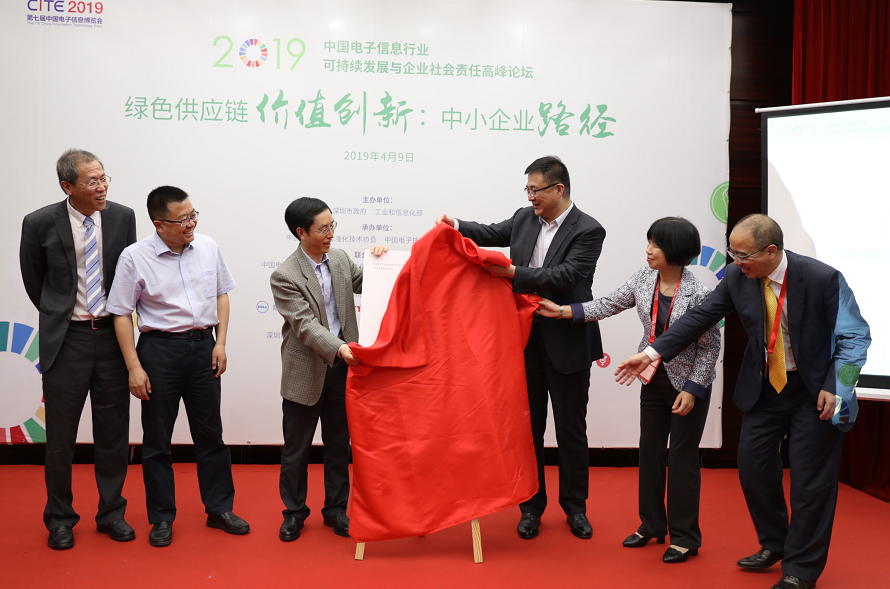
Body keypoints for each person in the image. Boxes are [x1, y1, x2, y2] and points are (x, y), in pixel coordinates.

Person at [615, 214, 870, 589]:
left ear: (771, 251)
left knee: (809, 484)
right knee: (752, 468)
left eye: (742, 254)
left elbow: (855, 336)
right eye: (731, 253)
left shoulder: (822, 278)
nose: (734, 261)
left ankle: (800, 569)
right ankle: (776, 543)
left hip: (815, 392)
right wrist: (652, 352)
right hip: (765, 389)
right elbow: (700, 318)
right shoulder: (738, 276)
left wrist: (838, 385)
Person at [436, 155, 606, 540]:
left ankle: (575, 508)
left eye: (535, 190)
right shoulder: (524, 218)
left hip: (568, 343)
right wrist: (455, 225)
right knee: (527, 430)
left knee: (571, 430)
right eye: (527, 190)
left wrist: (512, 272)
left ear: (558, 189)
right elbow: (490, 232)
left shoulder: (589, 229)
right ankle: (530, 507)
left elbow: (566, 276)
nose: (530, 197)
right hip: (524, 342)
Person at [537, 217, 720, 563]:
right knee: (649, 454)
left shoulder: (699, 292)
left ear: (676, 251)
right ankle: (651, 524)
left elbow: (710, 348)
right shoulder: (643, 278)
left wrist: (694, 388)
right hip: (651, 378)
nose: (648, 250)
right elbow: (607, 304)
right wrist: (562, 311)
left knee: (682, 461)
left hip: (686, 387)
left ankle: (685, 537)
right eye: (648, 242)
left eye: (655, 244)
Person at [107, 185, 248, 547]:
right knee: (157, 441)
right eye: (182, 219)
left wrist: (220, 342)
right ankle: (161, 517)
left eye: (193, 215)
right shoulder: (134, 257)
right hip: (159, 352)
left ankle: (219, 509)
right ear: (159, 224)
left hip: (204, 348)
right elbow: (121, 313)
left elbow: (222, 294)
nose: (191, 224)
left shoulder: (208, 246)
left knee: (211, 436)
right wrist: (134, 367)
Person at [19, 149, 137, 550]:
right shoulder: (38, 222)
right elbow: (36, 282)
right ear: (67, 186)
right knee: (61, 437)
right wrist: (61, 313)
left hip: (111, 337)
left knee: (113, 433)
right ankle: (60, 519)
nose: (102, 187)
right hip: (67, 339)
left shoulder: (122, 217)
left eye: (104, 178)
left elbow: (127, 277)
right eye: (92, 182)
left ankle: (112, 513)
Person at [270, 197, 386, 542]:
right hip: (307, 370)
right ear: (301, 232)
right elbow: (305, 325)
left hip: (343, 370)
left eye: (332, 225)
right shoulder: (285, 275)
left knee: (339, 444)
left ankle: (336, 510)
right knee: (297, 450)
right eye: (323, 228)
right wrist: (340, 348)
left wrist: (380, 262)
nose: (331, 233)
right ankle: (294, 513)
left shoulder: (339, 259)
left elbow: (372, 282)